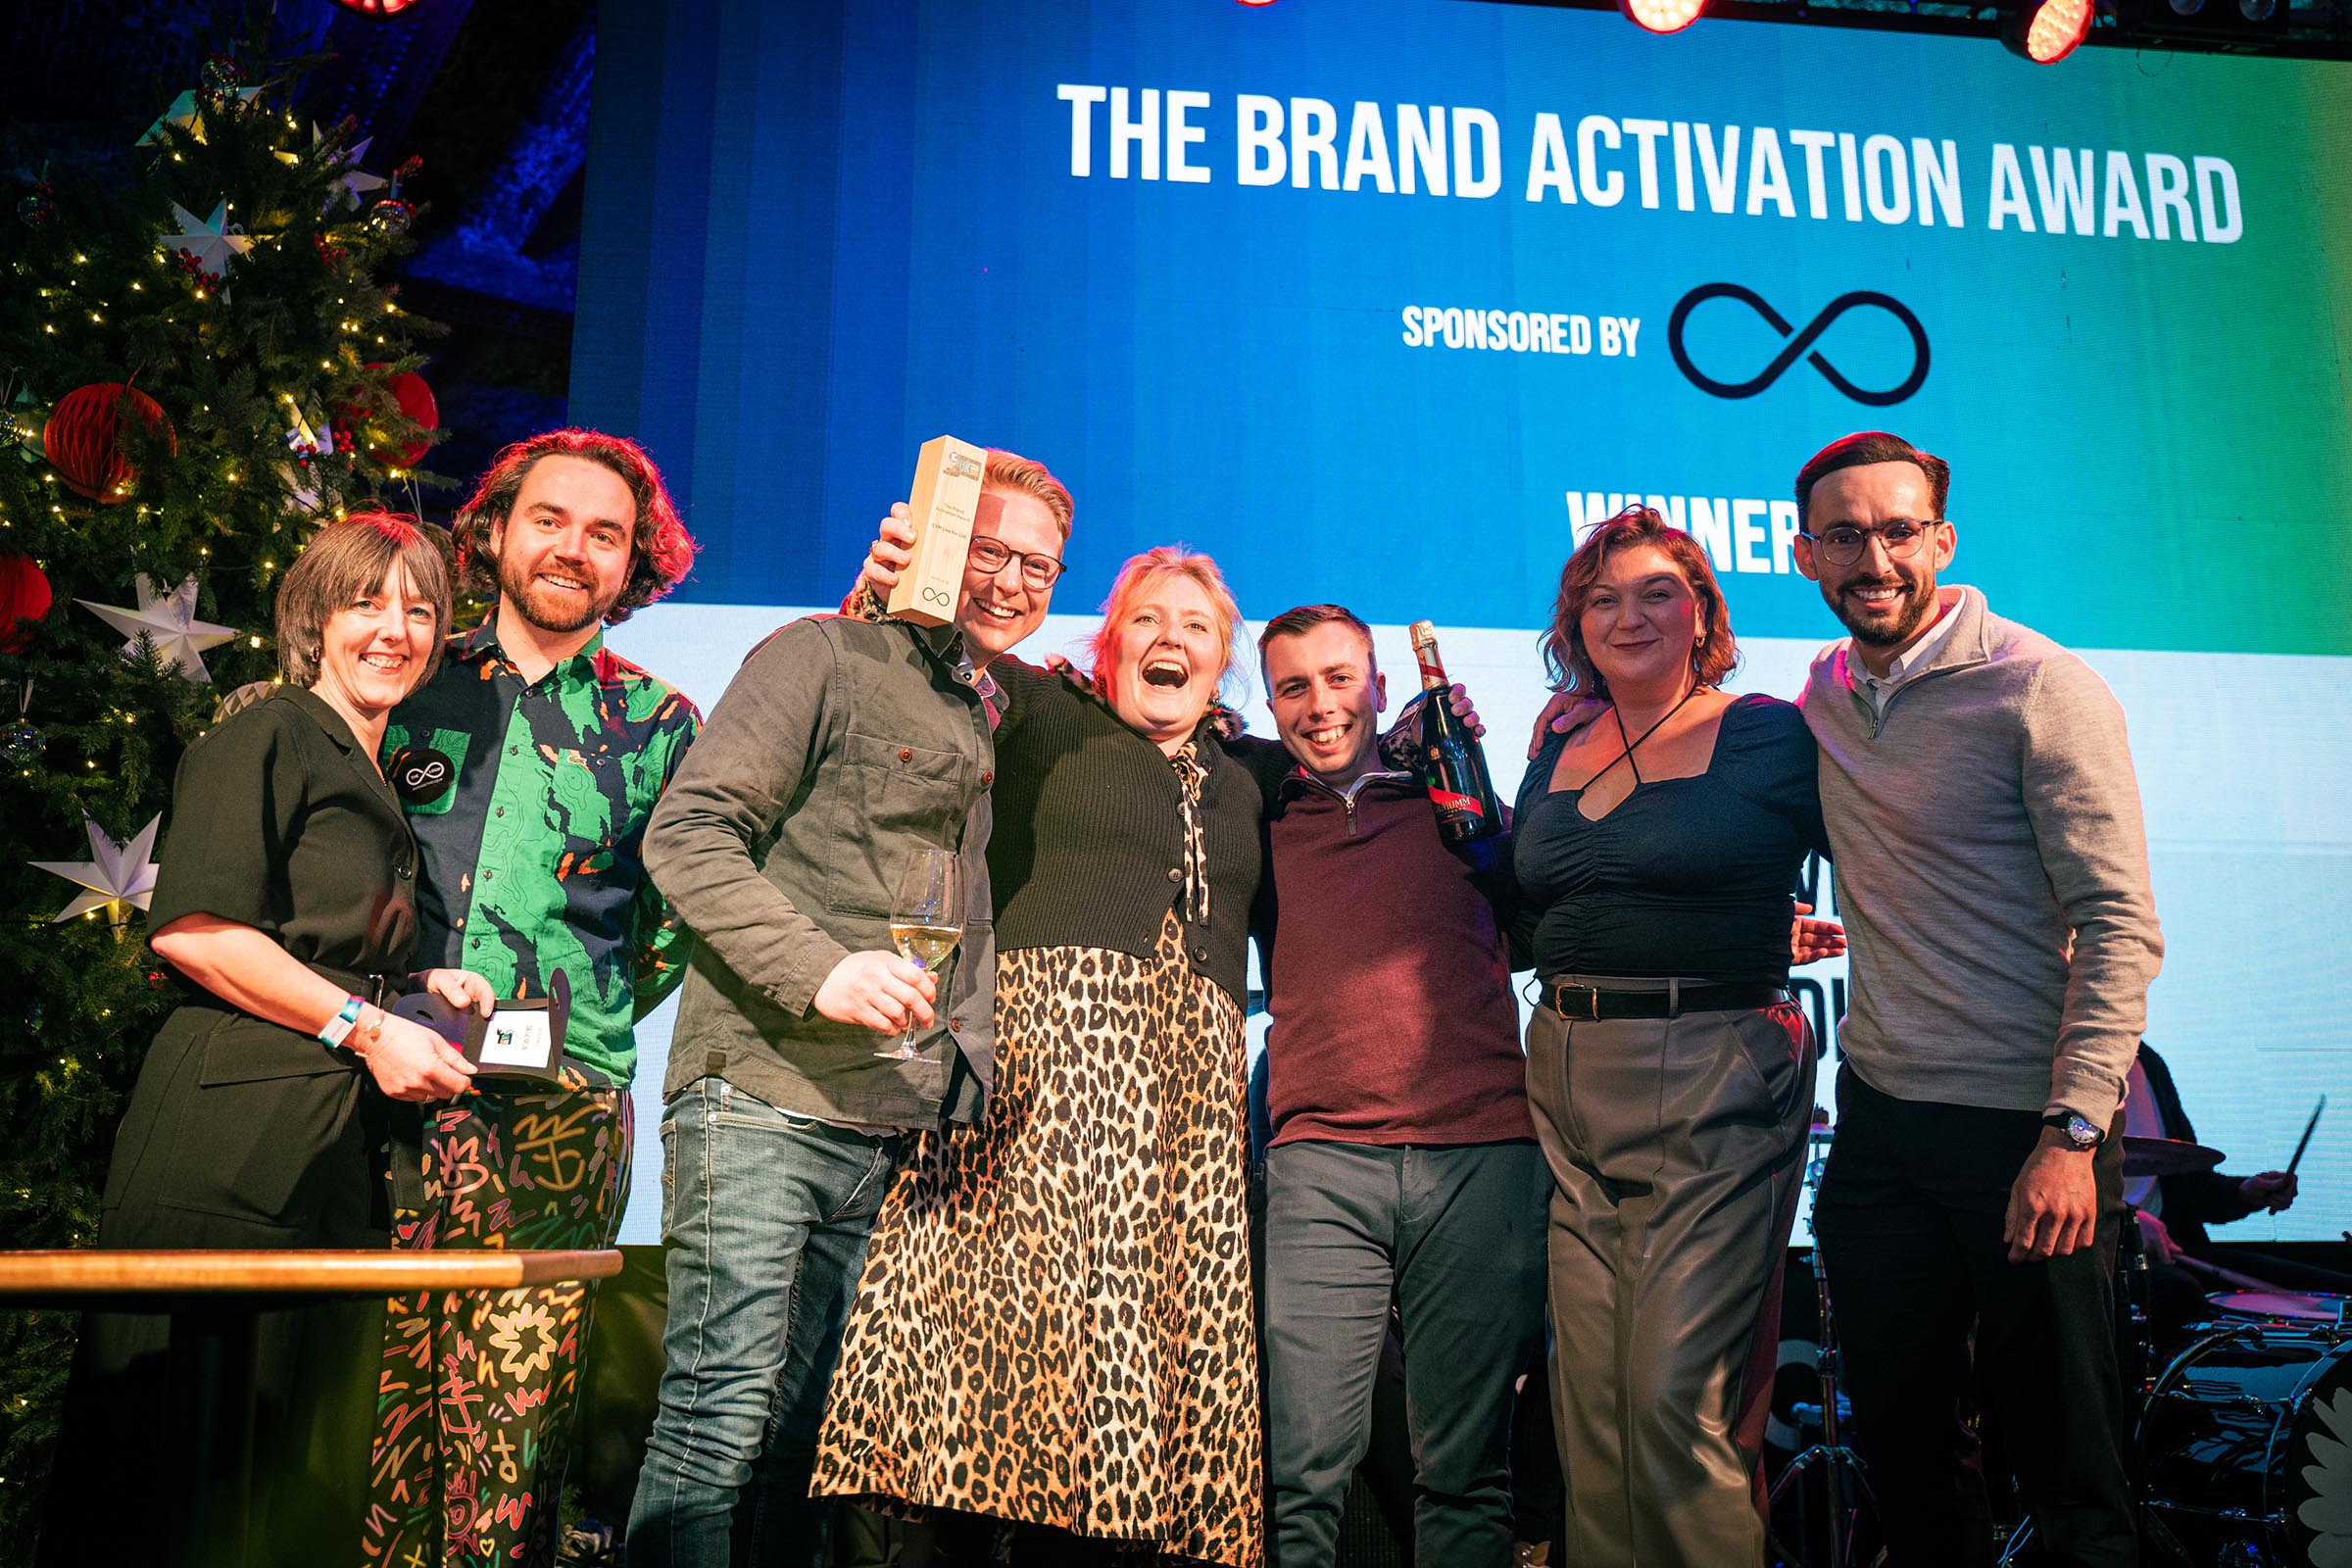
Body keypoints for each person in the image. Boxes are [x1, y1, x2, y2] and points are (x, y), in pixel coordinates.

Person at [626, 449, 1071, 1568]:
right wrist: (820, 969)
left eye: (1040, 565)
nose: (1013, 580)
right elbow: (687, 833)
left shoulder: (985, 704)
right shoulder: (820, 652)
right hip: (763, 1097)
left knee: (804, 1441)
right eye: (990, 549)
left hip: (889, 1124)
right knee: (717, 1419)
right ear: (938, 541)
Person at [42, 514, 492, 1568]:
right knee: (184, 1484)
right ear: (313, 617)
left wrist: (419, 986)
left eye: (419, 610)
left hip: (329, 1156)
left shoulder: (375, 767)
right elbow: (196, 930)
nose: (395, 630)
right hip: (230, 1156)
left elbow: (309, 943)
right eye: (365, 603)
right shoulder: (267, 731)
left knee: (290, 1491)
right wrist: (368, 1026)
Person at [812, 545, 1267, 1567]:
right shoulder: (1038, 709)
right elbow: (914, 668)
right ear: (1108, 646)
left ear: (1221, 661)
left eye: (1196, 627)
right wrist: (894, 579)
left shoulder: (1248, 780)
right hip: (1040, 1079)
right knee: (1000, 1343)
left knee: (1144, 1348)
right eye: (1147, 619)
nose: (1171, 639)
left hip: (1184, 1112)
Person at [1791, 431, 2164, 1568]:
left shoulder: (2040, 686)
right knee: (1904, 1466)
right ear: (1806, 555)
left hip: (2024, 1128)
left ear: (1942, 540)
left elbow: (2120, 925)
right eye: (1845, 536)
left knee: (2069, 1471)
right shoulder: (1823, 692)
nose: (1875, 560)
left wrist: (2072, 1135)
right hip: (1881, 1125)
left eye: (1898, 531)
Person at [364, 430, 702, 1568]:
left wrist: (572, 1013)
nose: (573, 548)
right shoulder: (412, 684)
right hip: (382, 1088)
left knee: (515, 1422)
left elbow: (669, 930)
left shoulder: (661, 723)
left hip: (561, 1113)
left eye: (606, 533)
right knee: (379, 1404)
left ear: (635, 562)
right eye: (549, 519)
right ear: (497, 528)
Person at [1512, 507, 1835, 1568]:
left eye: (1658, 591)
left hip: (1711, 1072)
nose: (1630, 615)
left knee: (1671, 1405)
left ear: (1703, 610)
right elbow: (1533, 914)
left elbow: (1893, 860)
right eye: (1602, 599)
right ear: (1575, 625)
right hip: (1566, 1074)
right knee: (1592, 1416)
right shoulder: (1556, 741)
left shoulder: (1762, 733)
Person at [1244, 604, 1546, 1568]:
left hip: (1480, 1157)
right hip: (1321, 1165)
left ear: (1380, 686)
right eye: (1294, 687)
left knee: (1466, 1474)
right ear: (1269, 704)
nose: (1320, 705)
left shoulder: (1455, 798)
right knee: (1300, 1477)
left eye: (1341, 679)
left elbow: (1549, 913)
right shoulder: (1261, 813)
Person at [2125, 1041, 2320, 1349]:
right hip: (2101, 1258)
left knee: (2325, 1287)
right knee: (2179, 1293)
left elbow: (2194, 1189)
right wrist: (2124, 1221)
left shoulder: (2148, 1062)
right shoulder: (2058, 1068)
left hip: (2175, 1250)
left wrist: (2246, 1193)